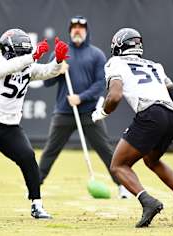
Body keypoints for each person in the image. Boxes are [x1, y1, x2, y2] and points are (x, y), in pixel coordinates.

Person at [0, 29, 69, 219]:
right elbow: (2, 70)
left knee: (28, 156)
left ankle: (37, 204)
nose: (26, 55)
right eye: (23, 51)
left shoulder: (27, 65)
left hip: (9, 124)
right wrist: (31, 57)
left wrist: (58, 61)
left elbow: (47, 71)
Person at [92, 28, 173, 227]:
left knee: (118, 165)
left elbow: (114, 96)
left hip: (151, 114)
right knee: (152, 159)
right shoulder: (155, 65)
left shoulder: (115, 62)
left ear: (119, 45)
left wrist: (102, 112)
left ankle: (147, 202)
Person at [38, 16, 130, 198]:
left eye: (81, 27)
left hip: (89, 113)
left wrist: (81, 98)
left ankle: (123, 186)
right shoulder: (60, 53)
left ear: (86, 31)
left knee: (106, 150)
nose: (77, 30)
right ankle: (35, 185)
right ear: (70, 31)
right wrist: (57, 69)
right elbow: (46, 83)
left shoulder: (96, 55)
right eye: (74, 28)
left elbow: (99, 84)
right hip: (64, 113)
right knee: (50, 151)